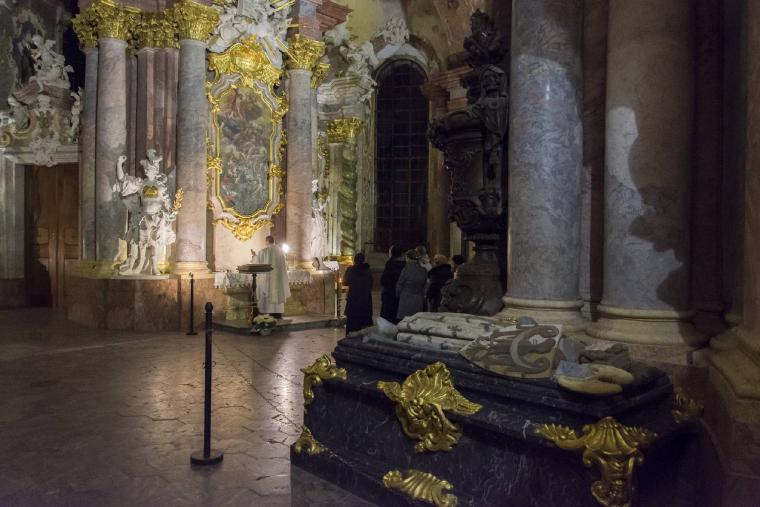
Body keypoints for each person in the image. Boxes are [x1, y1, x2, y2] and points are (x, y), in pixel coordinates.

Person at [252, 236, 290, 318]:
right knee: (277, 293)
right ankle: (278, 313)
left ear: (267, 241)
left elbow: (257, 263)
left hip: (268, 280)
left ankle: (267, 313)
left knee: (267, 292)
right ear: (273, 241)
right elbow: (285, 266)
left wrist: (254, 256)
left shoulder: (264, 251)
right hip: (278, 281)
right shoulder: (281, 252)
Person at [343, 252, 373, 335]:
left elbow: (345, 282)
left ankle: (350, 337)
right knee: (363, 323)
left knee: (352, 322)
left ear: (354, 260)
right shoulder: (367, 270)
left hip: (353, 298)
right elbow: (371, 283)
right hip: (364, 299)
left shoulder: (351, 270)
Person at [396, 249, 427, 320]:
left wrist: (398, 295)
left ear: (408, 258)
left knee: (405, 320)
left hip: (406, 298)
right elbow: (425, 286)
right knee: (416, 320)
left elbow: (399, 285)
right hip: (418, 299)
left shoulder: (405, 270)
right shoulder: (423, 270)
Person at [380, 244, 406, 324]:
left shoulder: (390, 264)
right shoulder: (405, 265)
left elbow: (383, 280)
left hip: (389, 295)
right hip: (401, 296)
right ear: (402, 254)